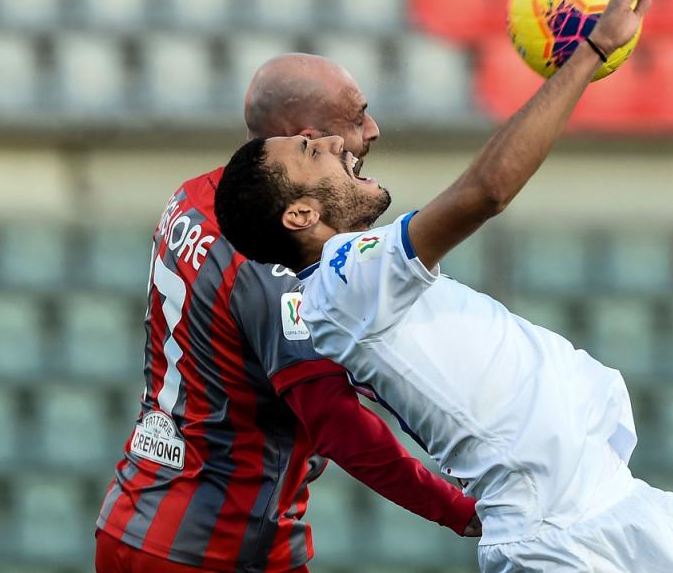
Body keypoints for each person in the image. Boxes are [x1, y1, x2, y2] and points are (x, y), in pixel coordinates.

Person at [214, 0, 673, 573]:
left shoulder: (360, 275)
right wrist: (589, 51)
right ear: (299, 215)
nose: (334, 142)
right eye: (309, 149)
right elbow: (484, 193)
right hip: (559, 537)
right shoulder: (343, 283)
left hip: (620, 501)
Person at [95, 54, 477, 573]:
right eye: (356, 117)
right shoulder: (273, 268)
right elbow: (338, 425)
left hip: (136, 514)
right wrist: (463, 512)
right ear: (309, 138)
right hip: (214, 547)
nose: (370, 131)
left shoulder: (193, 195)